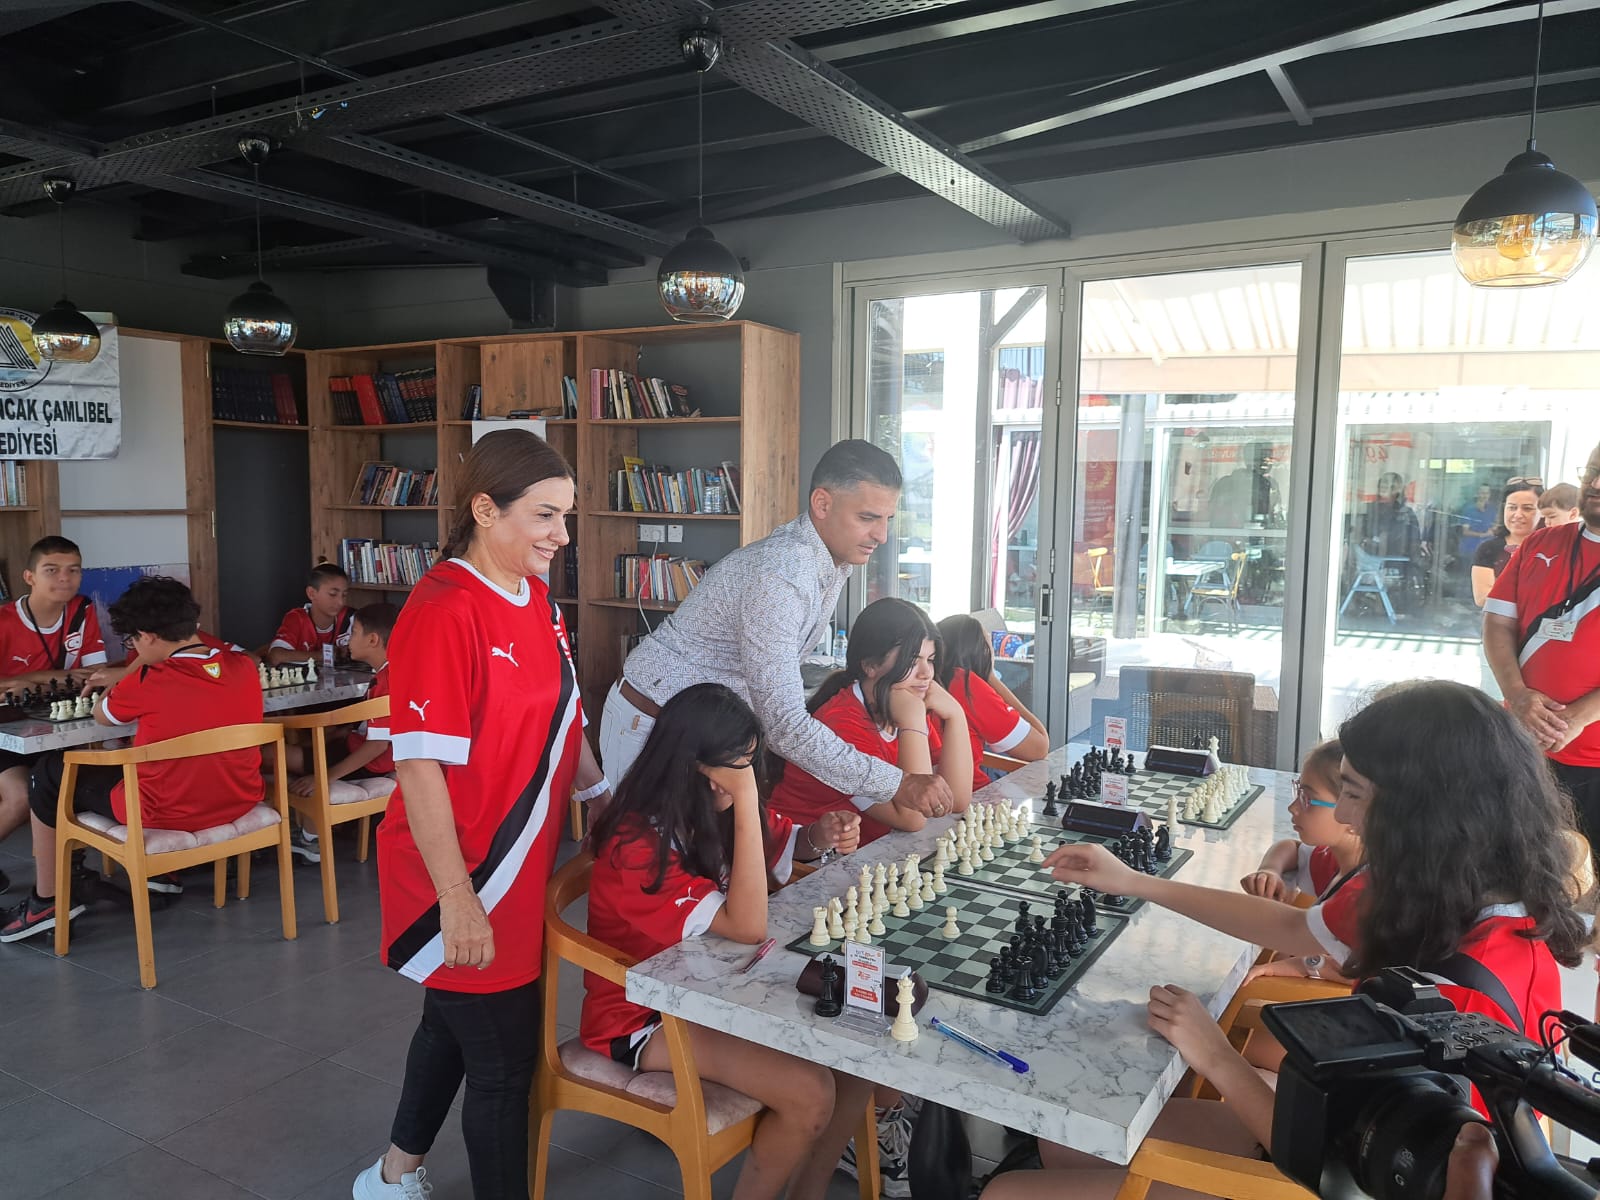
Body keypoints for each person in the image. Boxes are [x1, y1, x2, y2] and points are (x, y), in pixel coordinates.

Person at [992, 682, 1586, 1200]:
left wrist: (1214, 1054)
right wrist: (1133, 881)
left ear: (1419, 809)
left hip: (1328, 1170)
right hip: (1332, 1113)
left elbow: (1347, 1164)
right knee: (1059, 1143)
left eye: (1354, 793)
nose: (1345, 818)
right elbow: (1290, 928)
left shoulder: (1464, 996)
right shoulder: (1434, 887)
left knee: (1004, 1192)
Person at [353, 429, 609, 1200]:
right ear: (485, 509)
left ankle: (393, 1175)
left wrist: (601, 801)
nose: (562, 536)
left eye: (566, 516)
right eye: (545, 515)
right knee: (502, 1066)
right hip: (459, 872)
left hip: (519, 867)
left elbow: (565, 717)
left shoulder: (539, 601)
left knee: (451, 1023)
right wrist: (457, 899)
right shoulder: (443, 609)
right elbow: (417, 766)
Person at [583, 683, 870, 1200]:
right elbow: (747, 925)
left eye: (749, 766)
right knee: (810, 1093)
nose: (745, 780)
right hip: (642, 1016)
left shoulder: (715, 806)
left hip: (716, 987)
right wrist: (746, 799)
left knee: (858, 1055)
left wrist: (819, 835)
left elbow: (783, 844)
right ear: (692, 768)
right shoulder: (636, 843)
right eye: (736, 770)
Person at [598, 439, 953, 823]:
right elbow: (784, 726)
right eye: (868, 518)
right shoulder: (782, 574)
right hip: (653, 721)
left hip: (705, 730)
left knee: (697, 855)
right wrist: (898, 783)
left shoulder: (830, 561)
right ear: (822, 504)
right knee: (641, 854)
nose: (881, 535)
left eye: (887, 519)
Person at [0, 576, 264, 942]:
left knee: (48, 773)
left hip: (164, 812)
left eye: (133, 641)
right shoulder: (243, 667)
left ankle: (46, 903)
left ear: (148, 636)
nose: (133, 649)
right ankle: (162, 873)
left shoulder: (149, 678)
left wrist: (132, 670)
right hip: (238, 799)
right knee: (158, 763)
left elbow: (102, 715)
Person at [770, 598, 973, 848]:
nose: (926, 674)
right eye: (912, 661)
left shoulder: (903, 701)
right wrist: (912, 721)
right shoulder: (842, 722)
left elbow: (955, 801)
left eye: (930, 660)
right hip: (807, 860)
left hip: (871, 852)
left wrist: (955, 716)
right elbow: (912, 818)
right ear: (870, 665)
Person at [1483, 446, 1600, 863]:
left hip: (1593, 761)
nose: (1596, 484)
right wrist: (1517, 696)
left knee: (1589, 877)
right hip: (1522, 748)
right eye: (1592, 471)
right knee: (1515, 867)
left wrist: (1577, 718)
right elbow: (1497, 623)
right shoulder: (1540, 542)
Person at [0, 535, 108, 894]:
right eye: (52, 570)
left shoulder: (82, 611)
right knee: (20, 798)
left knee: (70, 789)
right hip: (6, 730)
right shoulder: (4, 621)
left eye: (73, 570)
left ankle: (63, 875)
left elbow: (94, 675)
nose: (65, 578)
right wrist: (51, 677)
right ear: (29, 576)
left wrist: (28, 681)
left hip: (57, 727)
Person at [1237, 738, 1362, 985]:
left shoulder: (1365, 893)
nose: (1293, 807)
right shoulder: (1335, 860)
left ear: (1353, 814)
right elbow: (1290, 848)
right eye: (1298, 792)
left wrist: (1302, 964)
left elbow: (1365, 972)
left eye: (1307, 798)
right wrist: (1270, 870)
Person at [285, 602, 395, 804]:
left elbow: (378, 745)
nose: (347, 640)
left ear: (372, 640)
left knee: (272, 755)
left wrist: (324, 778)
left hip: (370, 762)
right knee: (311, 740)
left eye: (354, 633)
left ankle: (302, 822)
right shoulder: (393, 671)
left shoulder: (386, 682)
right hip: (359, 746)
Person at [934, 613, 1047, 788]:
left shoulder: (933, 681)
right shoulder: (965, 684)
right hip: (969, 794)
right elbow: (1039, 747)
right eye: (989, 644)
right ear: (982, 651)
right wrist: (990, 676)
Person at [267, 561, 354, 666]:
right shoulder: (297, 619)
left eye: (344, 595)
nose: (340, 602)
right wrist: (322, 655)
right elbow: (276, 657)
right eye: (333, 594)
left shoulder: (350, 617)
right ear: (311, 593)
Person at [1471, 478, 1541, 607]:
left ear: (1542, 512)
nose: (1518, 515)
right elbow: (1482, 599)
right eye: (1512, 508)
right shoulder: (1488, 549)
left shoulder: (1554, 549)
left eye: (1527, 508)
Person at [1458, 483, 1498, 564]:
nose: (1484, 496)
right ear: (1477, 494)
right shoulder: (1469, 509)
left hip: (1487, 550)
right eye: (1482, 493)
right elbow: (1465, 532)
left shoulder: (1492, 509)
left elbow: (1495, 525)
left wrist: (1493, 529)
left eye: (1487, 493)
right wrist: (1482, 535)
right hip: (1470, 550)